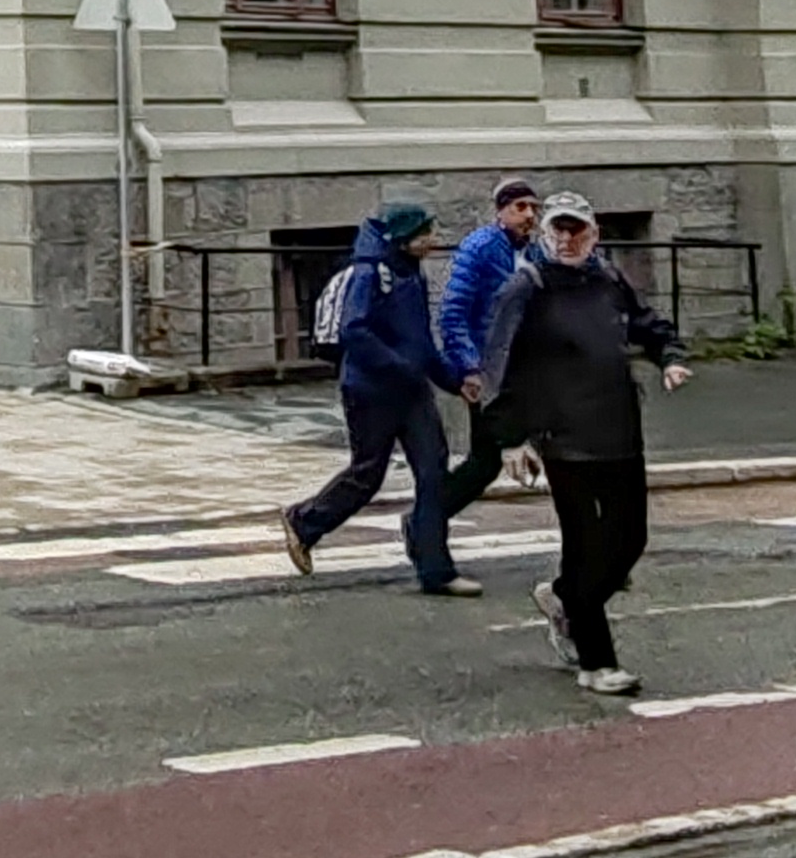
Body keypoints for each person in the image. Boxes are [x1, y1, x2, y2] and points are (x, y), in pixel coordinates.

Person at [478, 190, 689, 696]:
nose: (568, 239)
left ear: (594, 234)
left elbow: (645, 322)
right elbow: (499, 365)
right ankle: (597, 663)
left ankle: (562, 598)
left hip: (618, 428)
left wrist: (669, 356)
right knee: (587, 546)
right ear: (545, 234)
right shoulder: (525, 288)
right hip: (562, 436)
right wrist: (510, 439)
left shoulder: (608, 278)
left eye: (578, 230)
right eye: (559, 230)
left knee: (629, 540)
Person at [279, 202, 478, 597]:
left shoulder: (413, 276)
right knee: (368, 473)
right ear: (402, 240)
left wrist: (454, 381)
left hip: (412, 392)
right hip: (371, 391)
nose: (432, 241)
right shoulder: (371, 275)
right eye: (425, 234)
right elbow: (355, 331)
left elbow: (422, 342)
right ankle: (305, 522)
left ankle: (436, 569)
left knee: (433, 473)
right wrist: (400, 365)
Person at [439, 177, 545, 518]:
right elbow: (454, 312)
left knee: (493, 458)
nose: (529, 215)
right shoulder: (480, 248)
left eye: (534, 208)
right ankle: (428, 516)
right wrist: (470, 367)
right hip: (489, 371)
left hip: (525, 368)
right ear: (501, 212)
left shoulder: (535, 251)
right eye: (520, 207)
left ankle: (428, 517)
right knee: (486, 460)